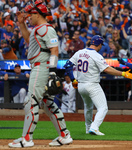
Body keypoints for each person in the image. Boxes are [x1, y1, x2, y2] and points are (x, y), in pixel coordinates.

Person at [8, 0, 73, 148]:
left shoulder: (45, 29)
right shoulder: (39, 29)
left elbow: (55, 50)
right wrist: (21, 24)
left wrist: (51, 72)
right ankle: (64, 135)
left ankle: (27, 138)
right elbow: (27, 39)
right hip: (39, 67)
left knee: (31, 101)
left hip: (41, 67)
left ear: (37, 14)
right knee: (46, 103)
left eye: (30, 14)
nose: (28, 16)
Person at [64, 35, 132, 135]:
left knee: (88, 108)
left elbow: (67, 65)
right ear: (98, 44)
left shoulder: (79, 52)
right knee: (103, 107)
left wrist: (73, 80)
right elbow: (106, 69)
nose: (101, 46)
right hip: (92, 85)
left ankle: (88, 128)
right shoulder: (96, 55)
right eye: (101, 44)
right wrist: (122, 73)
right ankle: (94, 127)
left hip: (81, 86)